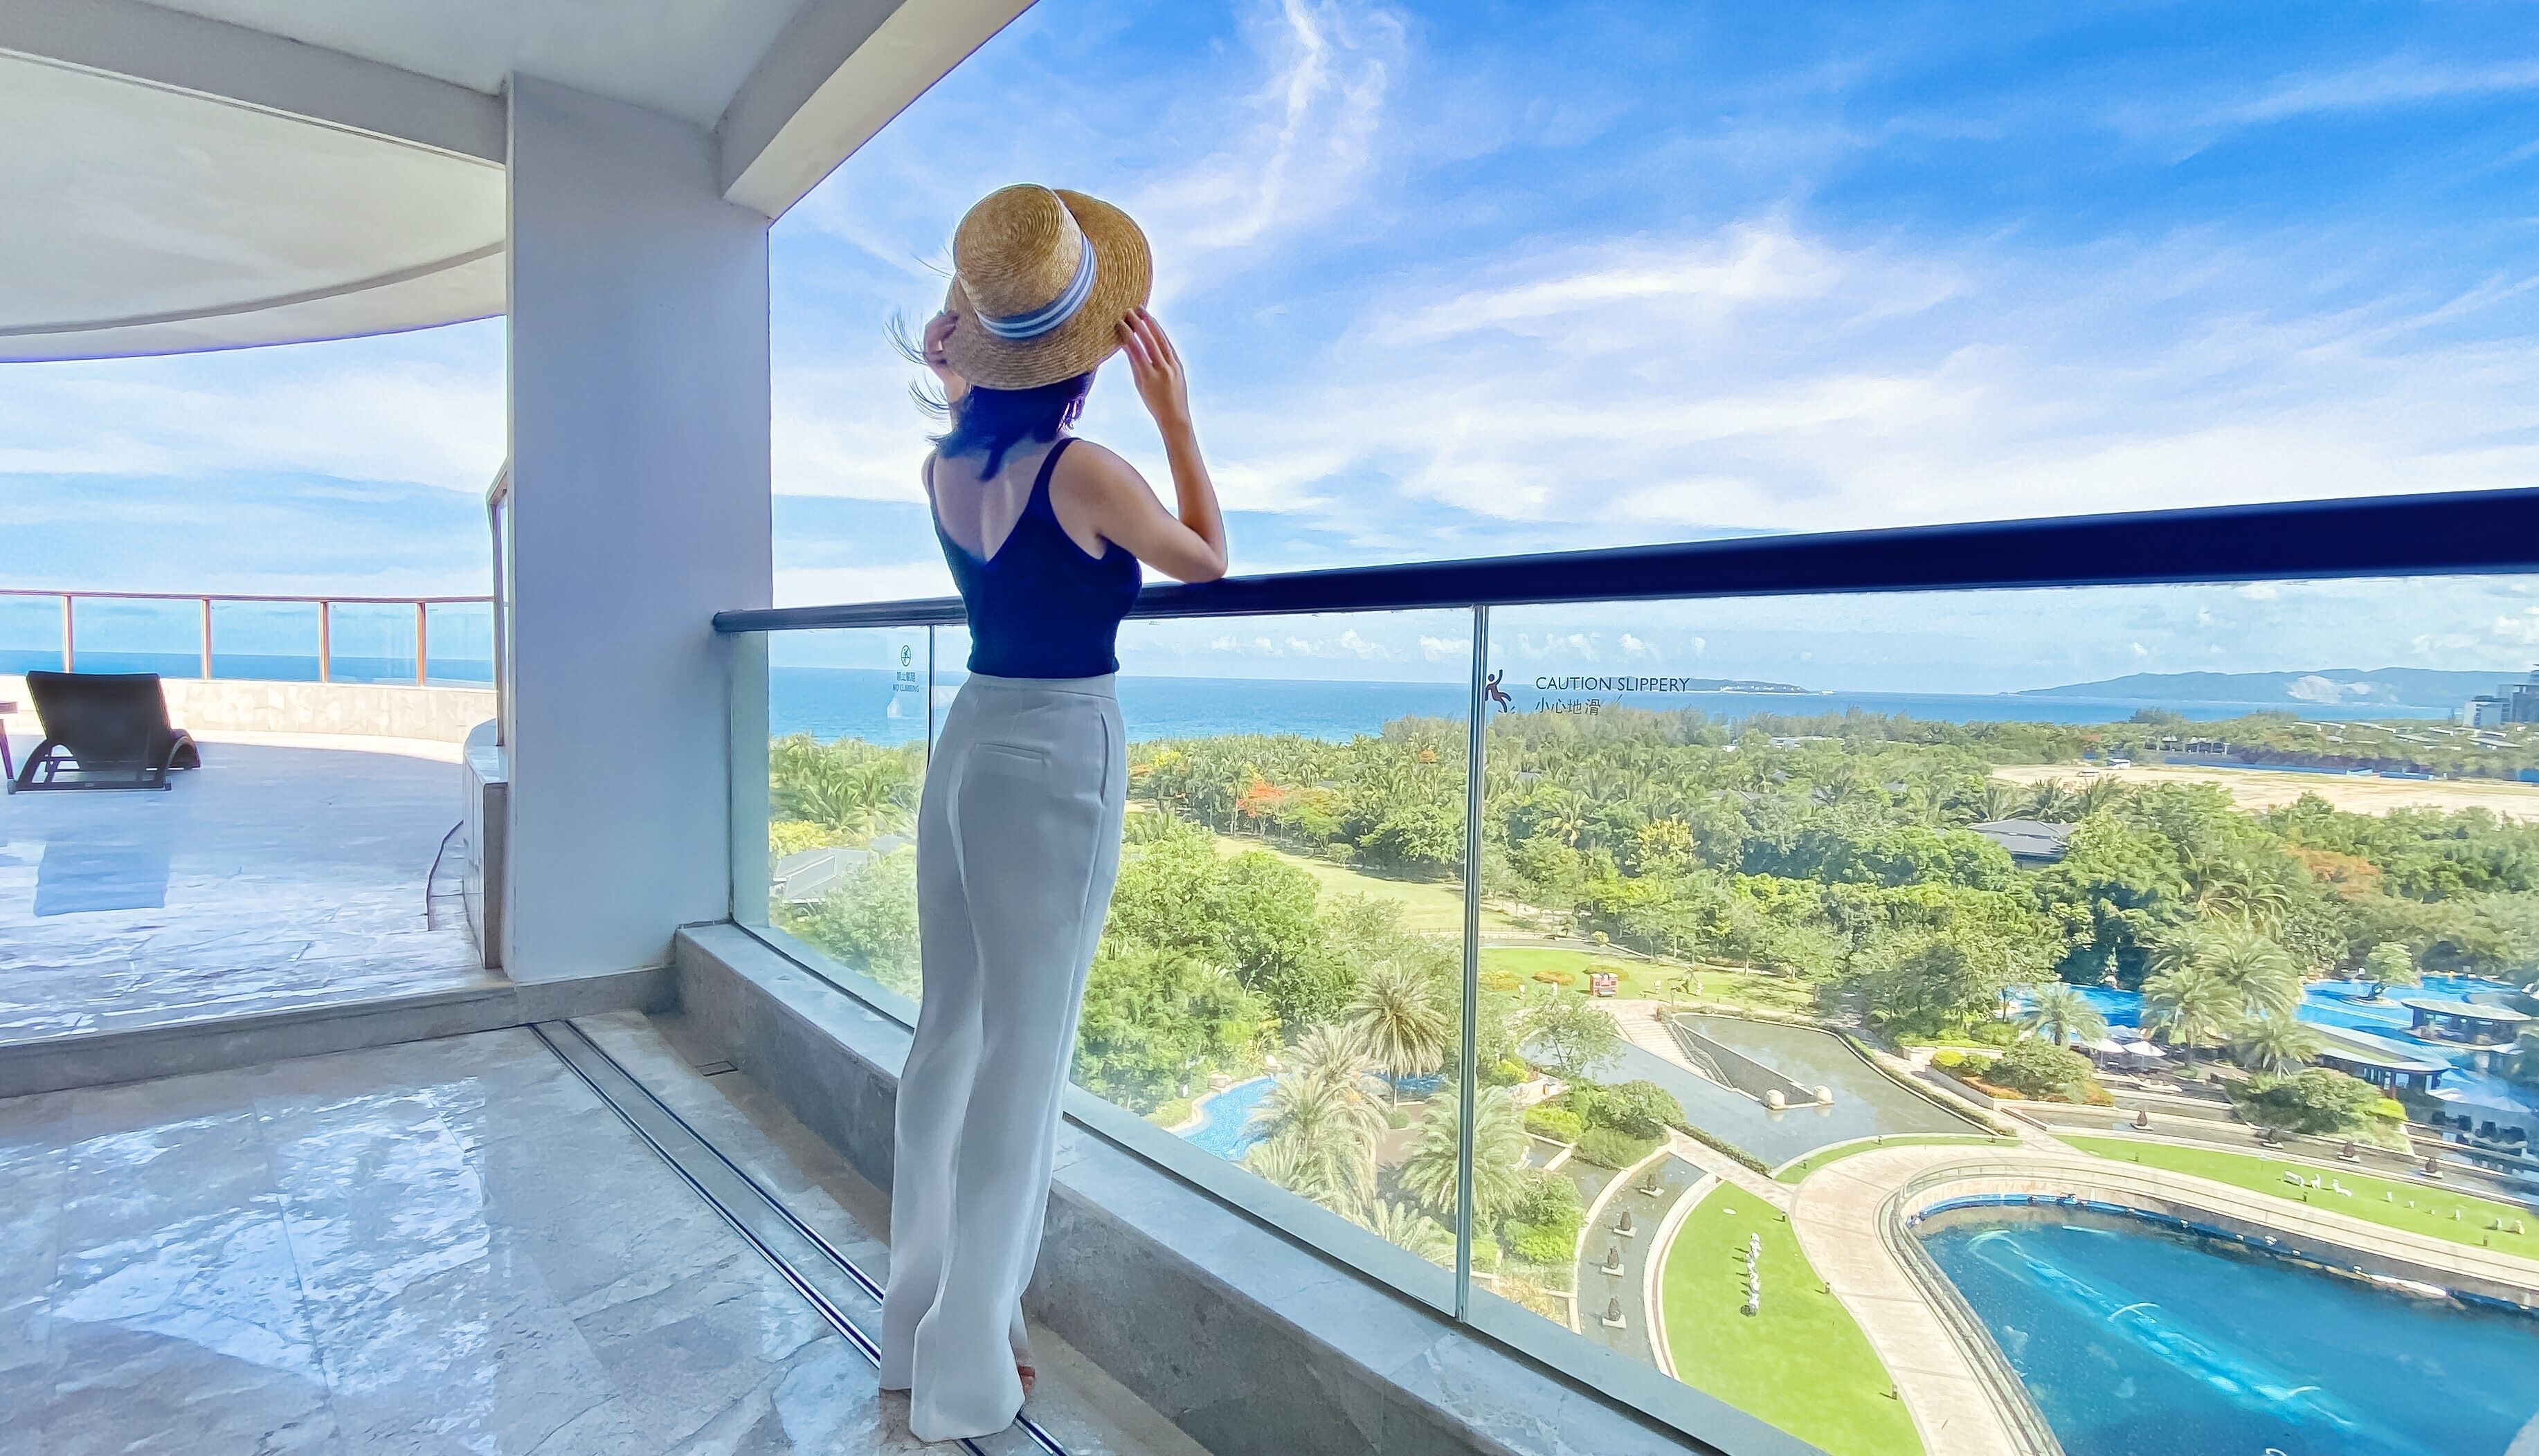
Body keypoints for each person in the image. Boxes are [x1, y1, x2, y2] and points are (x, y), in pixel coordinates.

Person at [878, 183, 1228, 1444]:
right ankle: (967, 1363)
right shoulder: (1086, 469)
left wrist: (958, 343)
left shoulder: (945, 463)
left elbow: (963, 376)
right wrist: (1176, 418)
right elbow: (1207, 556)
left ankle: (918, 1319)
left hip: (968, 735)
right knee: (1025, 1060)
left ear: (975, 344)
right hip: (1057, 751)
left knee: (949, 1035)